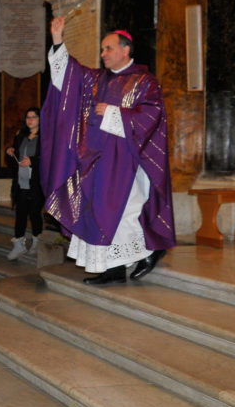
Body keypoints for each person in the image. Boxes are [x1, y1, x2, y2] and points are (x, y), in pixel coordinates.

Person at [42, 16, 175, 284]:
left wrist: (116, 113)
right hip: (96, 160)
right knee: (99, 212)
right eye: (102, 49)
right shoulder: (95, 79)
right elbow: (69, 76)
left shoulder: (144, 81)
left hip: (127, 161)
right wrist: (58, 40)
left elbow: (153, 116)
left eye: (108, 48)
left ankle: (149, 251)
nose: (103, 54)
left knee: (124, 213)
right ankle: (113, 269)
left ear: (126, 50)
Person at [5, 107, 44, 261]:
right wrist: (10, 151)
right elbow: (15, 156)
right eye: (28, 117)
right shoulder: (21, 135)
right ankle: (19, 244)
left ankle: (36, 242)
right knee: (20, 213)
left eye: (34, 117)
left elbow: (49, 158)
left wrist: (33, 161)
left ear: (40, 119)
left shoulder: (45, 136)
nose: (30, 120)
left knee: (35, 213)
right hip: (21, 181)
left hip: (36, 182)